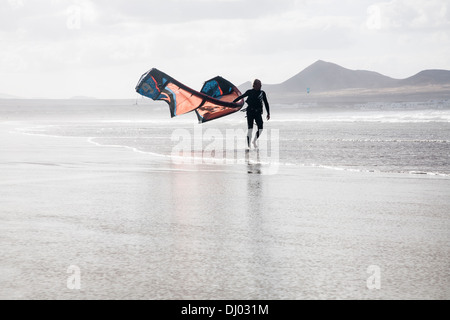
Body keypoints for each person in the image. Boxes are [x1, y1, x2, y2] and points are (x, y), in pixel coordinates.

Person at [233, 79, 270, 149]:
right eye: (259, 84)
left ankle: (254, 141)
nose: (261, 85)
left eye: (261, 84)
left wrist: (268, 113)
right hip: (250, 112)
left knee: (261, 128)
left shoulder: (262, 93)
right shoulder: (250, 92)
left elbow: (266, 103)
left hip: (258, 113)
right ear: (255, 85)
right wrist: (232, 103)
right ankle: (249, 146)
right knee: (250, 129)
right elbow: (241, 97)